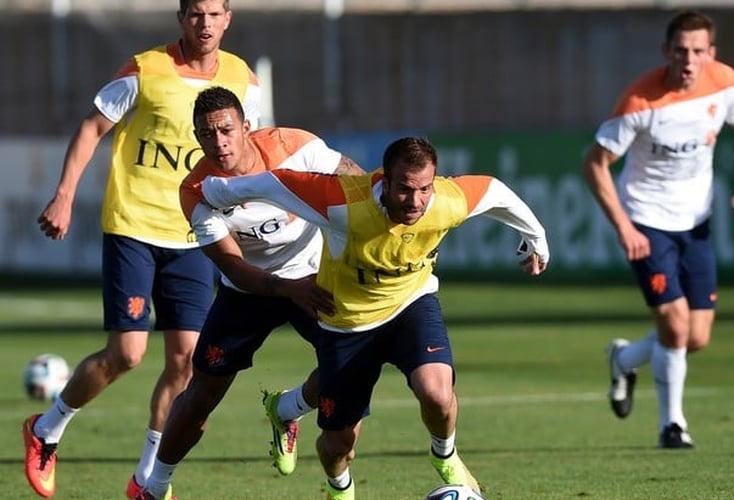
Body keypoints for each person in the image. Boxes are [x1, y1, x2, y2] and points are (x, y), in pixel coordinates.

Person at [198, 136, 550, 499]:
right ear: (384, 182)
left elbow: (495, 192)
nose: (415, 201)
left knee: (437, 392)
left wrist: (536, 237)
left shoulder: (447, 201)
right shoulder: (342, 202)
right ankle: (334, 481)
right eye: (404, 190)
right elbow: (274, 183)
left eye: (424, 189)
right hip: (348, 324)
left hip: (410, 304)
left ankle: (445, 455)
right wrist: (212, 190)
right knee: (338, 446)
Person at [25, 1, 260, 498]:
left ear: (228, 18)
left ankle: (149, 477)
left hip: (195, 233)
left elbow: (246, 155)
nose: (206, 23)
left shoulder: (242, 78)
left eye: (215, 13)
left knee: (186, 361)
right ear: (181, 18)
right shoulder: (144, 69)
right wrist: (64, 195)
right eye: (196, 13)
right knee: (128, 353)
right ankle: (47, 429)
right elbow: (92, 126)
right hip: (133, 226)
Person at [135, 86, 366, 500]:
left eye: (226, 130)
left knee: (351, 377)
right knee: (201, 394)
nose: (219, 142)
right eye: (207, 134)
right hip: (247, 291)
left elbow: (358, 185)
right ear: (197, 136)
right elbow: (232, 265)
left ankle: (292, 418)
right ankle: (154, 487)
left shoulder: (296, 148)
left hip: (314, 277)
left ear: (246, 127)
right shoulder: (197, 190)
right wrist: (286, 289)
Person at [582, 10, 734, 448]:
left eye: (698, 50)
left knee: (696, 336)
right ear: (666, 51)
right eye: (680, 50)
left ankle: (624, 359)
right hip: (647, 221)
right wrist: (624, 227)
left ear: (711, 54)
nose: (689, 59)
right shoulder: (640, 102)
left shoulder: (725, 83)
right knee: (676, 327)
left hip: (696, 221)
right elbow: (594, 165)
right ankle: (672, 425)